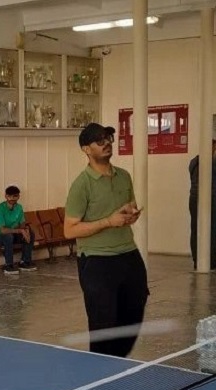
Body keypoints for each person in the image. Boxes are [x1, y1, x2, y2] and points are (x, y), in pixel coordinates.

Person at [64, 123, 148, 357]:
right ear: (86, 149)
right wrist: (108, 221)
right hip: (97, 261)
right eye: (99, 141)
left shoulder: (124, 176)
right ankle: (101, 369)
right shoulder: (81, 185)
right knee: (103, 325)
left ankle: (118, 363)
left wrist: (130, 215)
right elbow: (69, 230)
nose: (107, 143)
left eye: (109, 138)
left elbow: (128, 206)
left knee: (132, 315)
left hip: (128, 255)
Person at [189, 139, 216, 270]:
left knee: (195, 229)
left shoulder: (193, 161)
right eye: (213, 148)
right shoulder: (211, 163)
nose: (215, 151)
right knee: (212, 230)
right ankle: (211, 260)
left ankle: (197, 260)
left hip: (194, 198)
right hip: (208, 199)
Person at [0, 185, 37, 275]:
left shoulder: (19, 207)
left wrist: (25, 230)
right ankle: (8, 265)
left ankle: (25, 262)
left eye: (15, 196)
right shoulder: (0, 209)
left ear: (18, 196)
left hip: (11, 235)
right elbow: (2, 231)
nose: (12, 198)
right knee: (8, 237)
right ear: (6, 196)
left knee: (30, 233)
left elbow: (22, 223)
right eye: (9, 196)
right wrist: (20, 231)